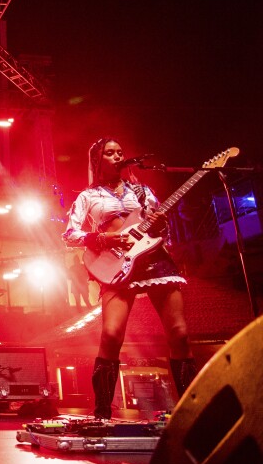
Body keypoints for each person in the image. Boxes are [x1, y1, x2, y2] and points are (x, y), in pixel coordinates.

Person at [62, 136, 196, 419]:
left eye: (120, 152)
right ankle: (102, 412)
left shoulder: (143, 191)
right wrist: (104, 238)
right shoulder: (87, 197)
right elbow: (70, 236)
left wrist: (161, 224)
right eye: (109, 153)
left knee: (180, 334)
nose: (116, 156)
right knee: (111, 335)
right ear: (97, 160)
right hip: (116, 265)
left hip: (154, 259)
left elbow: (161, 230)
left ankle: (189, 412)